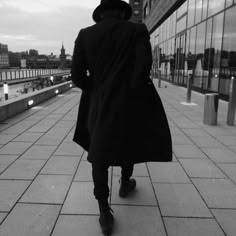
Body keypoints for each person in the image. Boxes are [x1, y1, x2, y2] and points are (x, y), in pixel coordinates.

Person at [71, 0, 172, 235]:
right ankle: (125, 183)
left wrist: (96, 90)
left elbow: (76, 75)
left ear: (101, 12)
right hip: (130, 98)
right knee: (129, 140)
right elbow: (144, 66)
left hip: (99, 102)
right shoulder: (137, 30)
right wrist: (131, 90)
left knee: (98, 152)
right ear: (123, 10)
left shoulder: (85, 35)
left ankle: (104, 211)